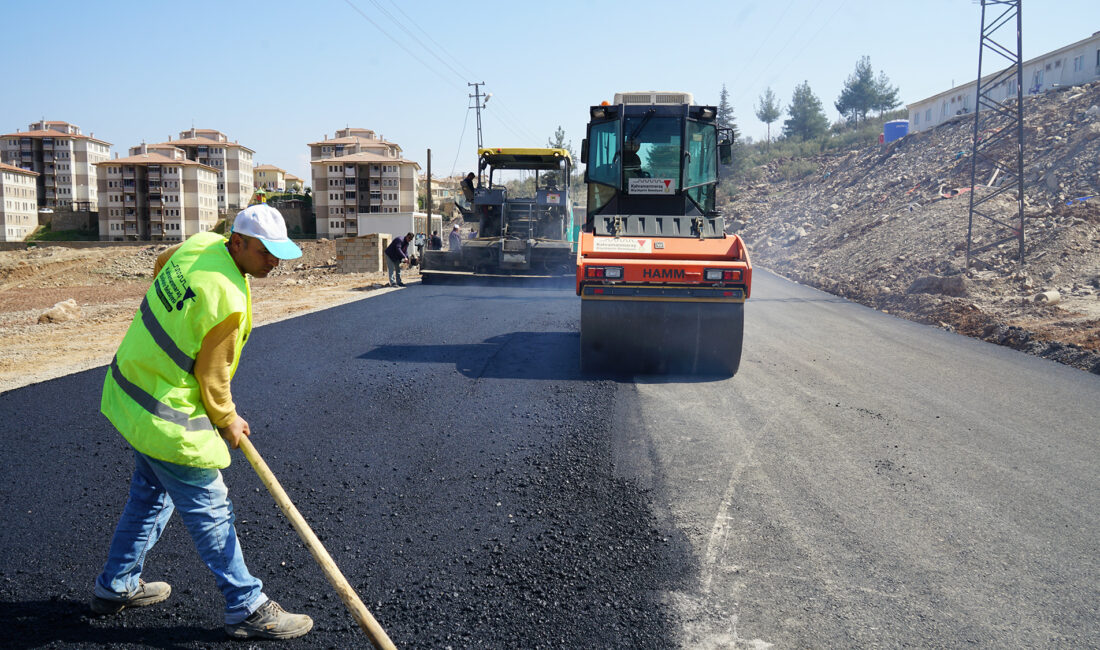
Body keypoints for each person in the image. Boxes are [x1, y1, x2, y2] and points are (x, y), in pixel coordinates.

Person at [92, 204, 313, 641]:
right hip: (165, 416)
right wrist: (228, 420)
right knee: (211, 508)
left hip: (130, 387)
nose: (274, 262)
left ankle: (115, 586)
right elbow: (213, 379)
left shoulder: (199, 245)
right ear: (238, 242)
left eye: (279, 254)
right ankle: (247, 606)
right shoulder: (226, 300)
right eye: (266, 252)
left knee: (150, 496)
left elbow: (161, 265)